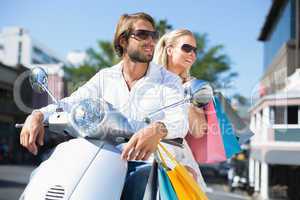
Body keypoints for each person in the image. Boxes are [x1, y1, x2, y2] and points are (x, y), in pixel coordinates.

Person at [20, 13, 188, 199]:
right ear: (123, 40)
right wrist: (38, 115)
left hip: (147, 164)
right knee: (44, 174)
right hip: (102, 162)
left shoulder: (169, 80)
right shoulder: (105, 77)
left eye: (153, 35)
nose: (151, 41)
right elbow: (70, 103)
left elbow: (180, 120)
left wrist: (158, 129)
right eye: (142, 34)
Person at [153, 29, 209, 190]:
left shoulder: (192, 86)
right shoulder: (149, 78)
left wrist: (191, 98)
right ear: (169, 49)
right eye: (186, 48)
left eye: (195, 50)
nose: (192, 54)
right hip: (151, 154)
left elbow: (198, 131)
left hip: (181, 157)